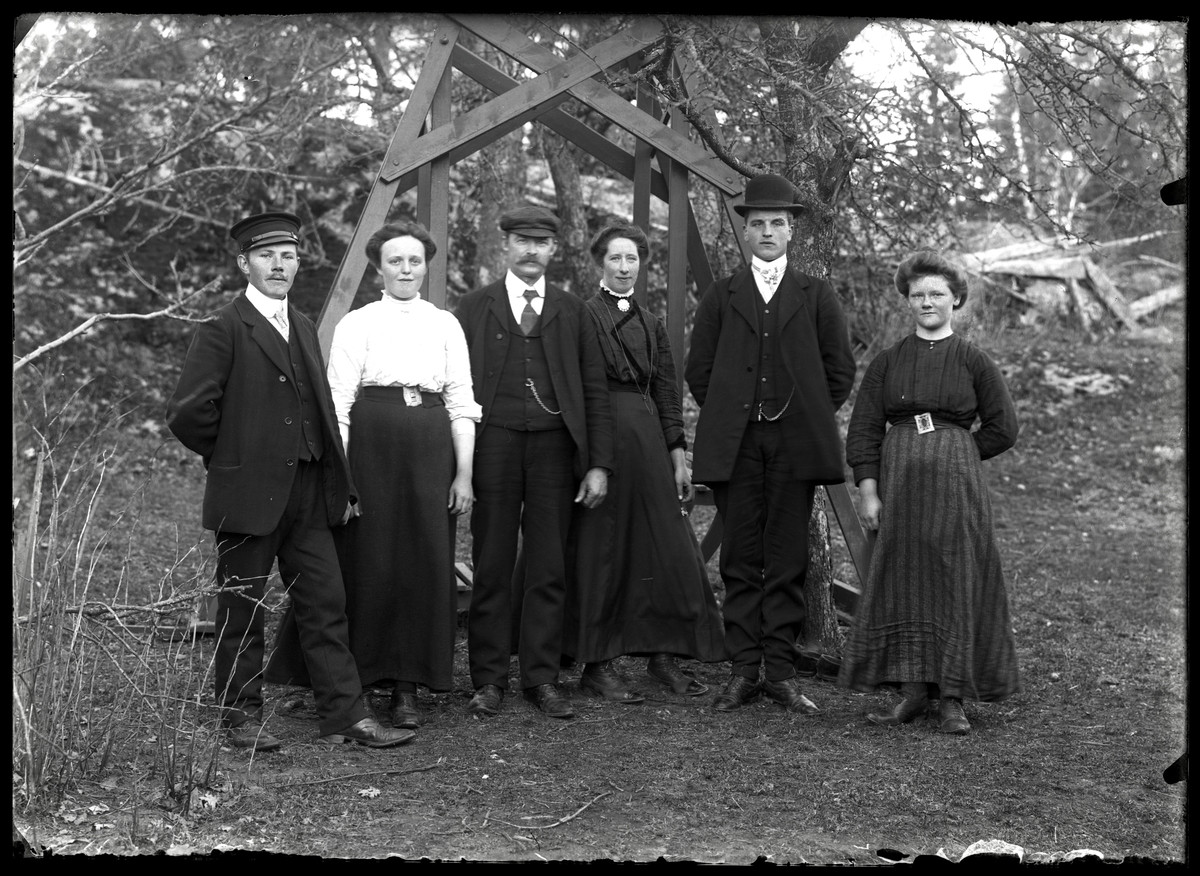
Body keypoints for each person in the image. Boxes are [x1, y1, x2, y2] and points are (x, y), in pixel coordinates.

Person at [167, 211, 413, 751]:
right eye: (266, 256)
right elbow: (187, 413)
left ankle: (346, 715)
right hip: (248, 495)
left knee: (326, 603)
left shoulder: (301, 324)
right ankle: (239, 717)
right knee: (242, 608)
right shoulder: (223, 327)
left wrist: (339, 482)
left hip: (307, 494)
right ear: (244, 264)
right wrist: (235, 458)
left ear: (298, 263)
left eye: (288, 256)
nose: (278, 265)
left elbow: (320, 410)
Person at [265, 221, 480, 731]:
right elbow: (338, 404)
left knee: (424, 560)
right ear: (379, 268)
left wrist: (464, 475)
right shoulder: (357, 323)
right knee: (367, 559)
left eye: (414, 261)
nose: (405, 270)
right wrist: (342, 478)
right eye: (394, 261)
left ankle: (408, 686)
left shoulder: (445, 324)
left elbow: (461, 402)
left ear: (426, 266)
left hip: (430, 452)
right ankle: (357, 680)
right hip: (371, 449)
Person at [685, 173, 856, 715]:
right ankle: (742, 671)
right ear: (745, 230)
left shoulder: (816, 295)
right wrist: (735, 410)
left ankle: (779, 673)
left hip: (793, 446)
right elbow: (699, 370)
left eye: (776, 223)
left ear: (791, 231)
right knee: (739, 557)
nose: (766, 232)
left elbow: (839, 372)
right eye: (757, 223)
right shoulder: (723, 294)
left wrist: (802, 415)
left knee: (786, 558)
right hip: (736, 444)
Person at [839, 249, 1020, 735]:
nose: (926, 302)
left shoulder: (974, 360)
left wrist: (957, 449)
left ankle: (952, 698)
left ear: (955, 299)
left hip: (956, 489)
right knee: (903, 579)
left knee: (952, 575)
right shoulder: (887, 362)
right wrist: (869, 492)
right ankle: (913, 692)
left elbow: (1003, 427)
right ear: (907, 300)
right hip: (898, 486)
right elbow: (863, 431)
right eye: (917, 294)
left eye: (937, 293)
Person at [455, 205, 614, 719]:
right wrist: (458, 463)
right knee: (492, 564)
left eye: (540, 242)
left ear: (554, 249)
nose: (530, 250)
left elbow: (595, 392)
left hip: (554, 454)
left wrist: (598, 464)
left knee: (548, 566)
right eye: (521, 240)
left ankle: (541, 678)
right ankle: (488, 680)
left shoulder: (574, 311)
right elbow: (453, 388)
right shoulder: (473, 307)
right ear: (506, 245)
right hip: (493, 450)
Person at [564, 224, 727, 703]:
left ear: (641, 264)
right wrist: (591, 456)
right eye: (615, 258)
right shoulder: (582, 316)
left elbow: (667, 392)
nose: (623, 267)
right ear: (600, 263)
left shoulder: (653, 324)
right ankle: (597, 664)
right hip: (600, 438)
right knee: (603, 546)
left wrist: (678, 458)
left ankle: (664, 654)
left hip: (650, 441)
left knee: (666, 545)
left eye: (631, 258)